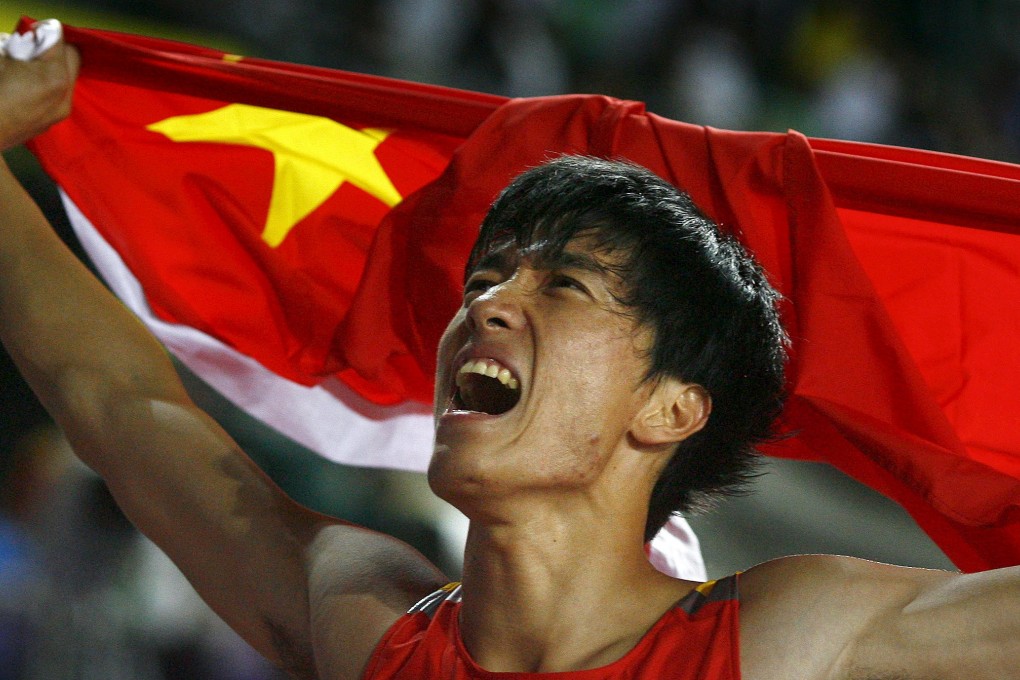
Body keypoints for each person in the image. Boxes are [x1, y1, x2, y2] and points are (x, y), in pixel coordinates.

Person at [1, 34, 1018, 680]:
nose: (487, 305)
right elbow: (118, 398)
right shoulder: (367, 620)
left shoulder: (787, 642)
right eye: (485, 278)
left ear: (669, 405)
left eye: (560, 285)